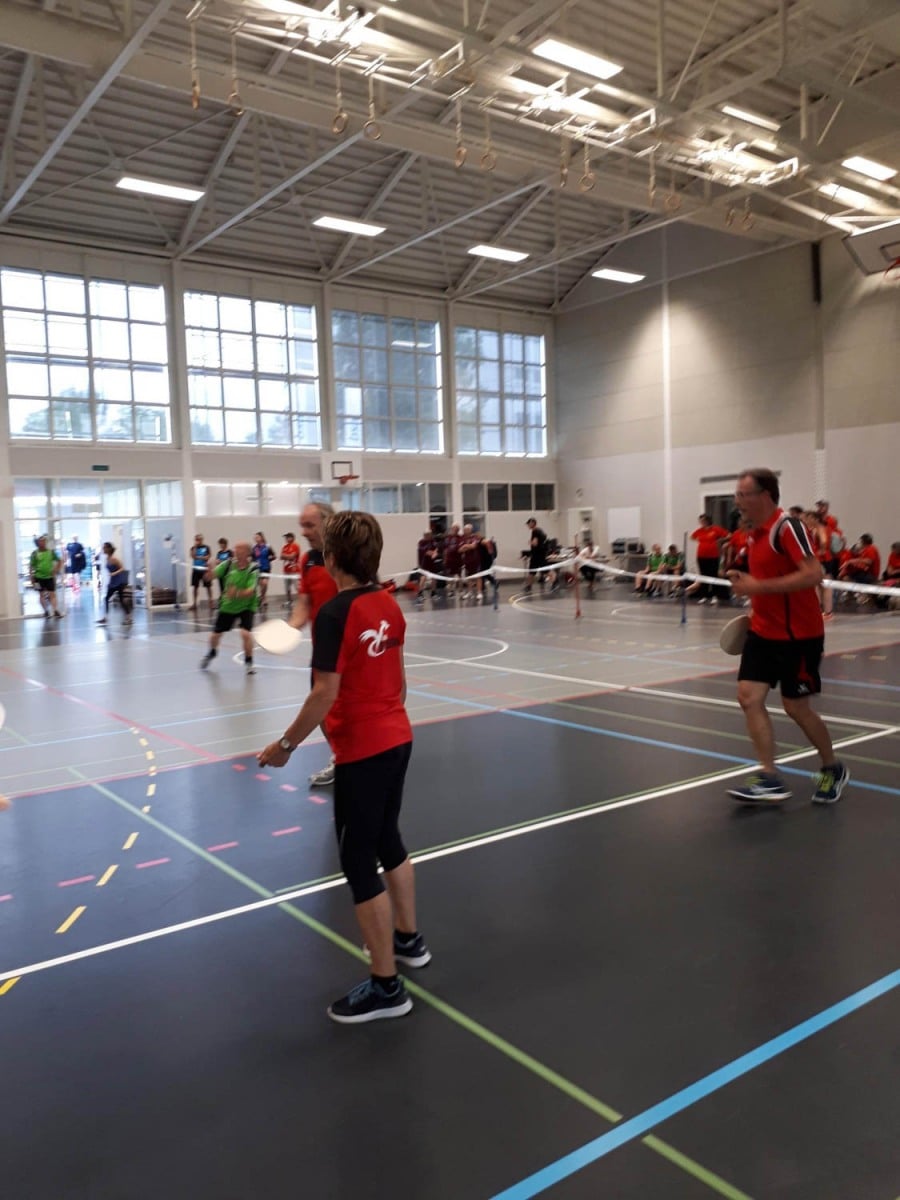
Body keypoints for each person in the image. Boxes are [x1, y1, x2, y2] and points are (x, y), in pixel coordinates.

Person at [258, 511, 429, 1025]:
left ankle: (386, 986)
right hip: (398, 739)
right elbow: (400, 682)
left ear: (332, 557)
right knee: (388, 839)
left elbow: (323, 692)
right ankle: (408, 940)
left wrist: (286, 744)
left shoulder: (335, 614)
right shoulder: (389, 604)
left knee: (358, 861)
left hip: (364, 752)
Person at [726, 468, 849, 806]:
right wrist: (744, 580)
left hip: (799, 636)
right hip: (762, 631)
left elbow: (812, 574)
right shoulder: (753, 534)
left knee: (796, 707)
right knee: (748, 697)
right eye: (737, 495)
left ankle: (832, 766)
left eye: (743, 494)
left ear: (765, 495)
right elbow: (762, 576)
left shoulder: (788, 528)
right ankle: (769, 777)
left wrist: (757, 586)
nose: (738, 501)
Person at [288, 502, 339, 786]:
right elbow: (304, 603)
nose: (304, 532)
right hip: (323, 651)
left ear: (328, 523)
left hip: (350, 650)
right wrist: (289, 628)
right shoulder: (307, 560)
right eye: (302, 526)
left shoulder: (347, 556)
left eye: (310, 525)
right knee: (321, 712)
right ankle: (340, 757)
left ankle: (359, 760)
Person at [200, 541, 259, 674]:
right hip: (228, 605)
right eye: (235, 548)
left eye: (239, 548)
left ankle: (249, 662)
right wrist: (208, 573)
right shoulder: (227, 565)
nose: (235, 550)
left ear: (247, 552)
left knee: (245, 633)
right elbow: (211, 576)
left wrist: (236, 593)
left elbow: (251, 591)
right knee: (215, 635)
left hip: (247, 605)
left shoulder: (253, 569)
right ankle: (212, 652)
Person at [686, 513, 728, 603]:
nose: (702, 522)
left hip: (713, 556)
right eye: (700, 521)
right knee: (703, 575)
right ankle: (704, 596)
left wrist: (720, 540)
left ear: (708, 520)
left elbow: (728, 535)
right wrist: (700, 540)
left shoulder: (715, 529)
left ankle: (714, 596)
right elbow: (692, 537)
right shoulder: (700, 531)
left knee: (713, 575)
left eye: (703, 520)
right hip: (701, 556)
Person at [97, 542, 132, 625]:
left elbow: (122, 568)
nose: (103, 549)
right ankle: (105, 618)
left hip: (119, 582)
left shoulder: (114, 559)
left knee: (121, 600)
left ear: (108, 549)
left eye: (104, 547)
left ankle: (128, 618)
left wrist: (114, 573)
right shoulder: (107, 558)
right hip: (112, 582)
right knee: (106, 598)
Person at [30, 534, 64, 618]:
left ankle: (55, 610)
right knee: (41, 594)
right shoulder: (35, 553)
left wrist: (56, 570)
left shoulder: (50, 552)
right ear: (38, 543)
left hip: (49, 577)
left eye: (44, 541)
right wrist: (32, 578)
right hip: (38, 577)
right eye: (40, 541)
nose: (42, 543)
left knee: (52, 594)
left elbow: (59, 561)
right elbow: (31, 566)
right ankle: (46, 611)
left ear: (46, 542)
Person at [189, 533, 212, 611]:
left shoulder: (206, 547)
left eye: (199, 539)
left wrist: (199, 557)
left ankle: (211, 603)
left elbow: (208, 557)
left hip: (204, 569)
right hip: (196, 570)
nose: (198, 540)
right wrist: (195, 547)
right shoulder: (193, 548)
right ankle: (194, 603)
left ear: (202, 539)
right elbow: (193, 556)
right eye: (196, 539)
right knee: (195, 587)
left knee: (208, 586)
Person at [524, 517, 548, 592]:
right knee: (532, 571)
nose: (528, 525)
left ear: (532, 523)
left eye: (528, 523)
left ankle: (555, 582)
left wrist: (530, 542)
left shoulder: (535, 531)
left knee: (545, 571)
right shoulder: (540, 531)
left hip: (537, 555)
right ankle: (528, 586)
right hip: (538, 554)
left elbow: (535, 543)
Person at [252, 532, 273, 610]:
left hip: (266, 567)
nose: (256, 539)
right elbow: (252, 558)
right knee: (261, 585)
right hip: (258, 568)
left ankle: (262, 597)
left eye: (257, 537)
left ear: (261, 537)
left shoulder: (267, 546)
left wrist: (270, 558)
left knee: (265, 583)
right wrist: (254, 562)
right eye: (255, 537)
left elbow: (273, 555)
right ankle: (263, 598)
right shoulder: (254, 548)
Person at [280, 532, 301, 607]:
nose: (286, 539)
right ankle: (289, 601)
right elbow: (281, 556)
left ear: (292, 538)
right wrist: (287, 556)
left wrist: (286, 556)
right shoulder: (285, 547)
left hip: (294, 570)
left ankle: (302, 601)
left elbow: (292, 556)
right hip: (286, 570)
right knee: (287, 587)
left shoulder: (295, 546)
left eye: (288, 537)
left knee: (297, 586)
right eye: (286, 537)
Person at [214, 537, 233, 604]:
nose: (221, 545)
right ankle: (223, 600)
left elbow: (230, 560)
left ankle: (229, 600)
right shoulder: (219, 553)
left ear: (225, 544)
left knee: (227, 586)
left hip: (228, 572)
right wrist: (217, 562)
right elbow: (217, 561)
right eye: (220, 544)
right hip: (221, 572)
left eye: (222, 544)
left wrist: (222, 561)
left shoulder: (229, 552)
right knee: (221, 587)